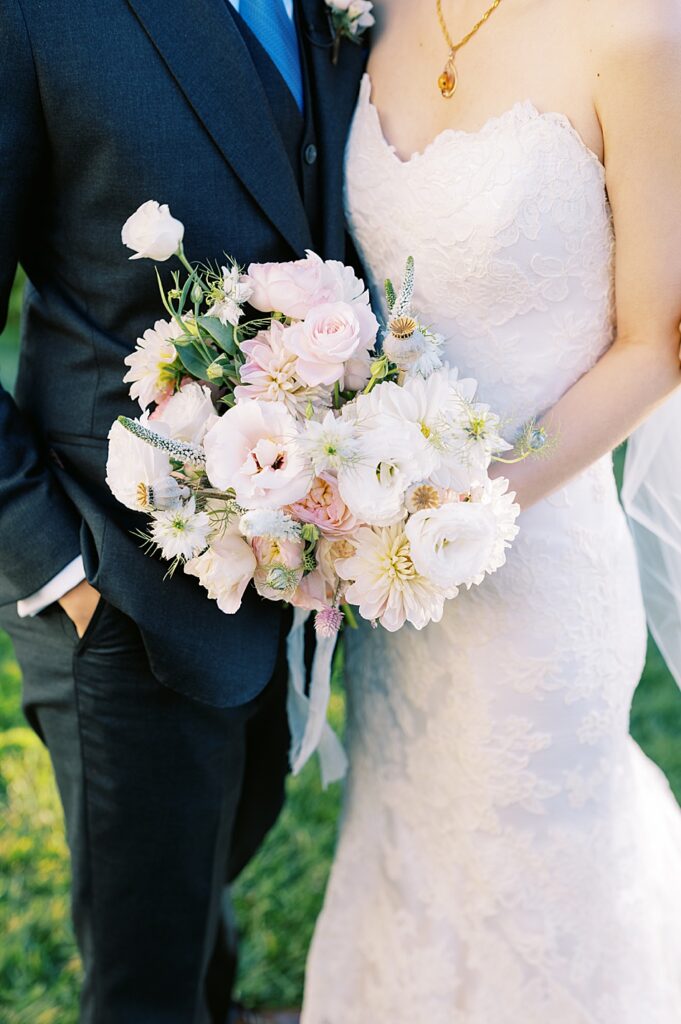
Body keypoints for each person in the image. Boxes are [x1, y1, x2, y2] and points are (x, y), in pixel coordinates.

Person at [302, 0, 681, 1020]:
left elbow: (659, 341)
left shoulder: (636, 31)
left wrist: (474, 501)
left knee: (537, 868)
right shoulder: (366, 14)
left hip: (540, 564)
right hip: (393, 573)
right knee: (412, 841)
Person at [0, 2, 365, 1021]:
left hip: (287, 578)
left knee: (203, 896)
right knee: (143, 982)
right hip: (118, 589)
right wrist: (62, 575)